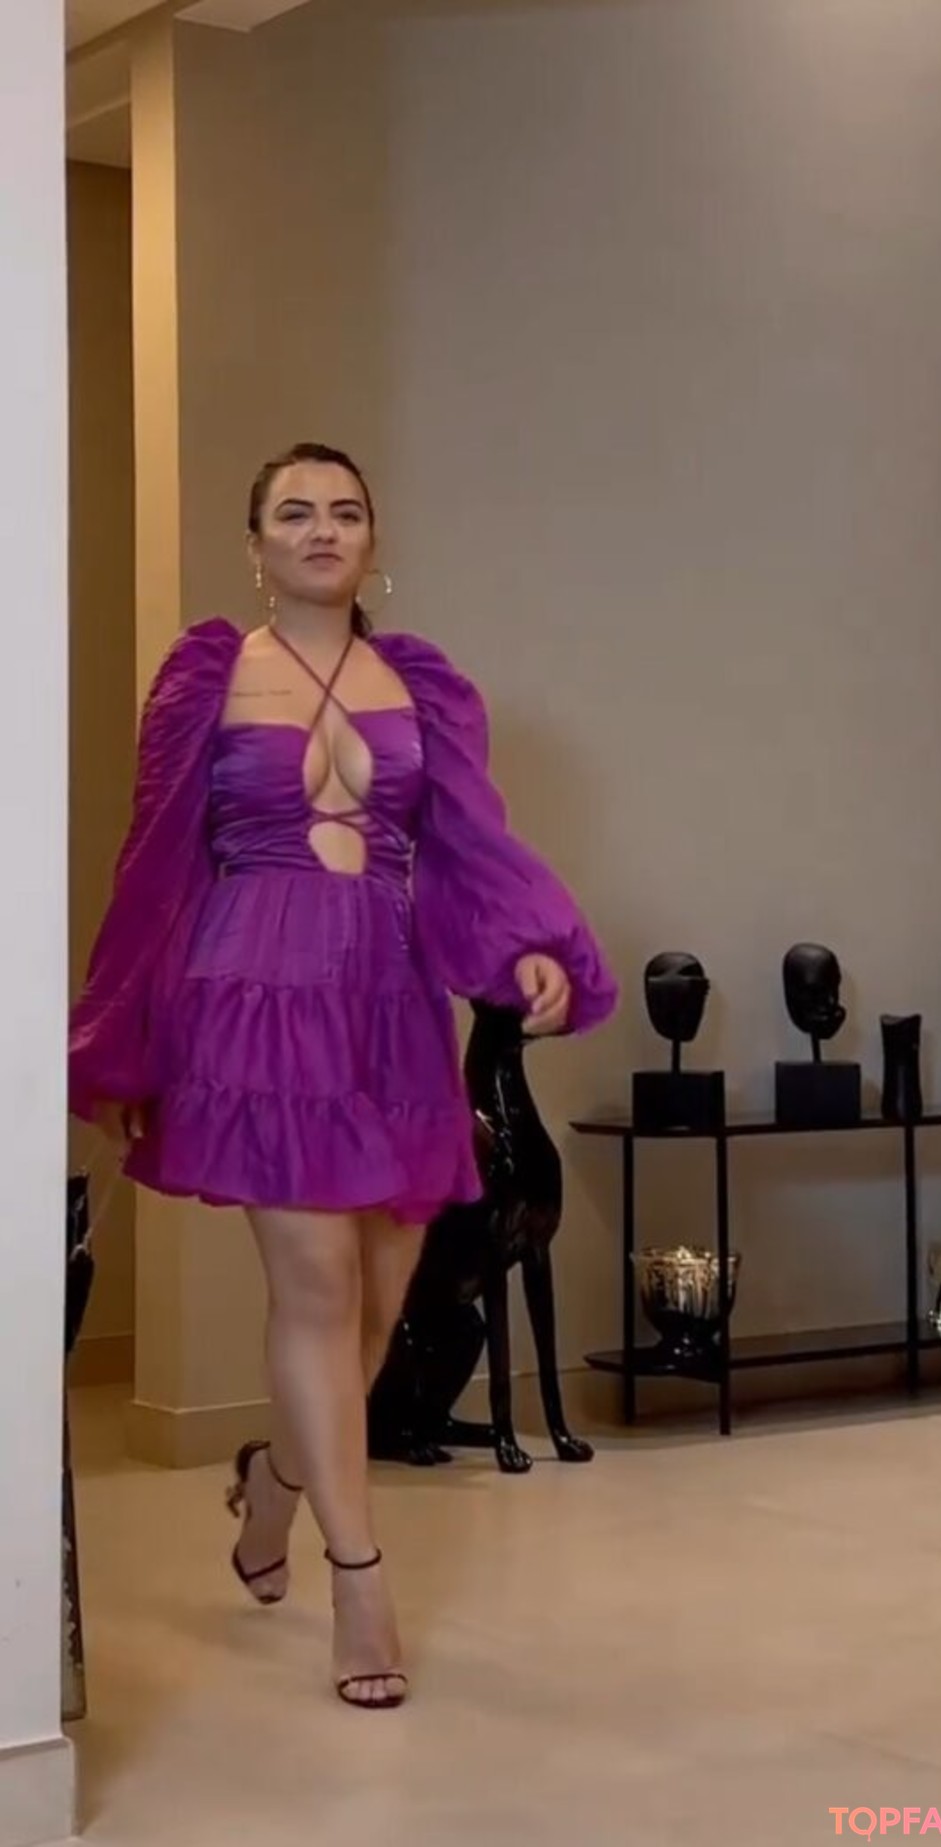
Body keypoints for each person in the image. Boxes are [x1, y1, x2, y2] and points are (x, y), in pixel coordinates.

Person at [69, 441, 617, 1711]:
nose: (322, 528)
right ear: (256, 544)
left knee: (378, 1296)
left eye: (346, 511)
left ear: (374, 540)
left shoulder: (421, 683)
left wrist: (527, 952)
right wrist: (129, 1038)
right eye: (294, 512)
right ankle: (360, 1577)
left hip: (386, 1001)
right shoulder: (209, 673)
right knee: (315, 1284)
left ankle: (274, 1478)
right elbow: (155, 861)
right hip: (249, 992)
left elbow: (472, 844)